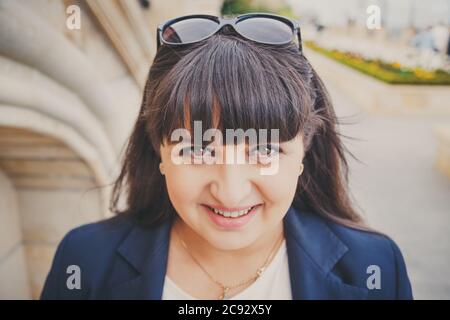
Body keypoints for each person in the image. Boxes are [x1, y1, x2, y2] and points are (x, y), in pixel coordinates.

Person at [40, 13, 413, 300]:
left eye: (265, 150)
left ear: (305, 150)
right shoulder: (84, 260)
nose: (230, 193)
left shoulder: (374, 267)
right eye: (198, 150)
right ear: (160, 149)